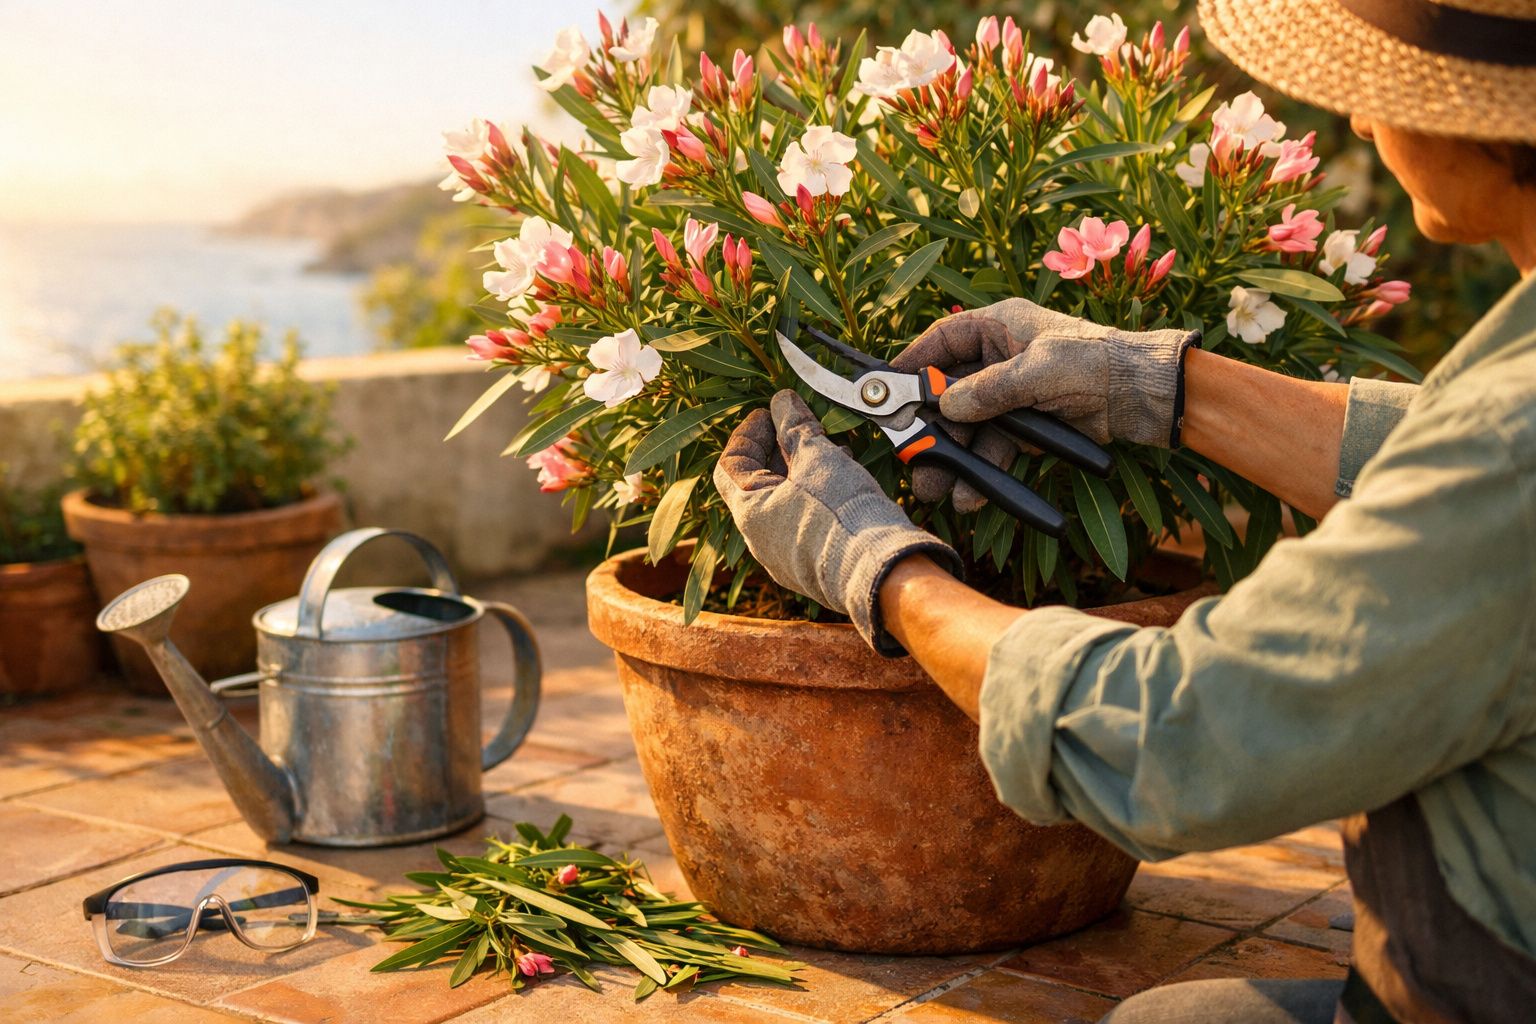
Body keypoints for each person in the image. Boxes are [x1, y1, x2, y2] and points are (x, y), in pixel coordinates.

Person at [714, 1, 1536, 1021]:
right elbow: (1439, 451)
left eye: (1388, 87)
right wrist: (1147, 379)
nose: (1363, 121)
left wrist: (879, 567)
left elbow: (1176, 742)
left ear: (1494, 121)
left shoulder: (1508, 448)